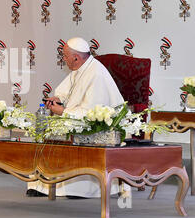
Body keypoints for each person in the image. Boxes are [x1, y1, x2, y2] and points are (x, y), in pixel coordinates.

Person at [27, 37, 127, 198]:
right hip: (74, 118)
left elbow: (91, 114)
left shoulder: (96, 73)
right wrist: (58, 99)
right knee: (47, 132)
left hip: (98, 128)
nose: (64, 59)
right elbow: (65, 91)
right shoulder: (80, 69)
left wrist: (63, 112)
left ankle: (78, 189)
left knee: (71, 133)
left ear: (76, 58)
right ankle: (44, 183)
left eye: (65, 56)